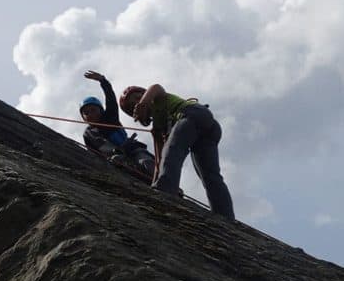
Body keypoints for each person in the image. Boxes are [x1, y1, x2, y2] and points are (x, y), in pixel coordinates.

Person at [119, 84, 235, 220]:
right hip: (208, 127)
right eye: (133, 104)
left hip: (191, 114)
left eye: (138, 97)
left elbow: (156, 87)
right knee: (209, 175)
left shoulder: (158, 99)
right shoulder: (159, 128)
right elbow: (160, 161)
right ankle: (225, 215)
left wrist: (143, 103)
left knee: (174, 151)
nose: (137, 102)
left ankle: (165, 192)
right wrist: (153, 184)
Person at [81, 71, 155, 179]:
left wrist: (103, 80)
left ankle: (165, 183)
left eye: (93, 110)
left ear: (101, 110)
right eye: (86, 113)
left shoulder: (110, 116)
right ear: (83, 118)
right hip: (115, 157)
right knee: (118, 161)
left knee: (146, 161)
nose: (90, 114)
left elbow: (110, 97)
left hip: (132, 149)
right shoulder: (89, 133)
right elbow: (93, 152)